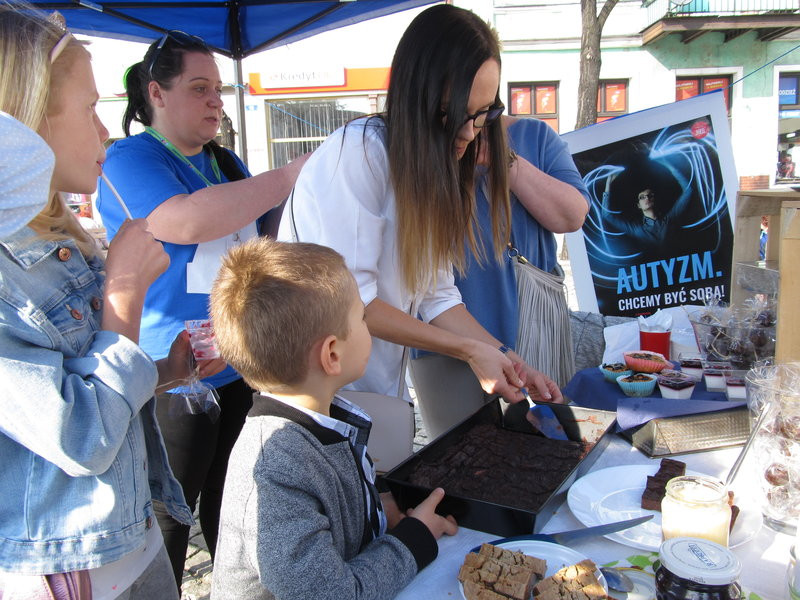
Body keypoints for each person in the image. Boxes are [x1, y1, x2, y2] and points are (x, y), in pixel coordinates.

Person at [0, 4, 222, 597]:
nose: (105, 131)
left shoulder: (59, 240)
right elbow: (81, 435)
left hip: (132, 537)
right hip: (70, 571)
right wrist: (123, 294)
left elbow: (91, 377)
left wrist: (162, 372)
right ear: (23, 122)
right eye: (91, 109)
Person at [96, 31, 309, 587]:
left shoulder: (227, 161)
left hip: (236, 361)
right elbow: (183, 221)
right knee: (169, 516)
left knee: (233, 506)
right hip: (170, 374)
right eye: (199, 88)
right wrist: (286, 176)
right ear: (156, 94)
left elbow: (256, 241)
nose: (216, 100)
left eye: (218, 88)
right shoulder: (130, 159)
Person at [277, 4, 561, 421]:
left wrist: (508, 360)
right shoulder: (359, 154)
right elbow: (356, 303)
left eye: (483, 115)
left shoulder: (436, 168)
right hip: (315, 395)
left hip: (377, 394)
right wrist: (470, 351)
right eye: (454, 116)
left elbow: (437, 295)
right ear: (417, 97)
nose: (469, 133)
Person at [208, 238, 458, 600]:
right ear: (332, 354)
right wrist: (414, 540)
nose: (367, 325)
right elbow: (332, 593)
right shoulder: (273, 469)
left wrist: (377, 510)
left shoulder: (320, 420)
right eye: (361, 317)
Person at [410, 115, 590, 436]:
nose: (469, 127)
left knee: (545, 446)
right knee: (461, 456)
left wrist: (503, 159)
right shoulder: (418, 144)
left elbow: (572, 215)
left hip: (532, 327)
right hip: (443, 338)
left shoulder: (533, 134)